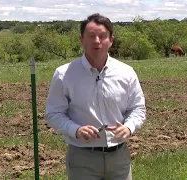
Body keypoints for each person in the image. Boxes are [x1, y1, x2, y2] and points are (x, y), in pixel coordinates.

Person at [45, 13, 146, 180]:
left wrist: (129, 127)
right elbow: (53, 114)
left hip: (119, 157)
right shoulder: (64, 74)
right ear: (82, 39)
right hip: (82, 158)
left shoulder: (126, 73)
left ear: (111, 40)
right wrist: (75, 130)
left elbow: (138, 109)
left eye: (102, 36)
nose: (97, 41)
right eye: (91, 36)